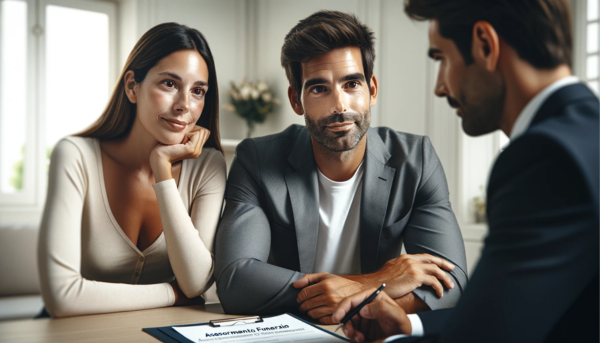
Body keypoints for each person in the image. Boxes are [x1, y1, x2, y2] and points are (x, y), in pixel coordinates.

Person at [332, 0, 599, 342]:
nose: (440, 87)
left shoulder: (546, 156)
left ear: (485, 45)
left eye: (441, 59)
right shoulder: (586, 135)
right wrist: (411, 326)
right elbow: (523, 312)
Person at [214, 10, 468, 324]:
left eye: (351, 84)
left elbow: (451, 283)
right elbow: (235, 281)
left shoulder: (416, 160)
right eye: (319, 88)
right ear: (297, 100)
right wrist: (377, 281)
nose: (340, 106)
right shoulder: (257, 160)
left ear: (372, 90)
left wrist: (355, 295)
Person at [37, 23, 227, 318]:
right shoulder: (75, 156)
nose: (184, 105)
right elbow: (62, 297)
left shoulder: (208, 166)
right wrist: (171, 292)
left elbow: (194, 281)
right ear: (132, 87)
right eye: (169, 84)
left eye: (198, 91)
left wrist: (162, 169)